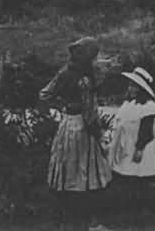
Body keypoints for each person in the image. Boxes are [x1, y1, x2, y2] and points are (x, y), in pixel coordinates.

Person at [39, 37, 113, 196]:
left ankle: (68, 194)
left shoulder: (64, 72)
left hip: (67, 122)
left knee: (69, 160)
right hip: (82, 124)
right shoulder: (85, 79)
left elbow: (45, 94)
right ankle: (81, 197)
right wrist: (97, 133)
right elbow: (89, 111)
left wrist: (62, 106)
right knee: (82, 161)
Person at [108, 66, 155, 179]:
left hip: (138, 146)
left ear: (141, 89)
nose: (130, 89)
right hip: (127, 145)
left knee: (138, 173)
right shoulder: (128, 105)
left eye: (134, 86)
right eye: (130, 86)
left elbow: (146, 131)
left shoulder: (148, 107)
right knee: (126, 173)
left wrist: (139, 149)